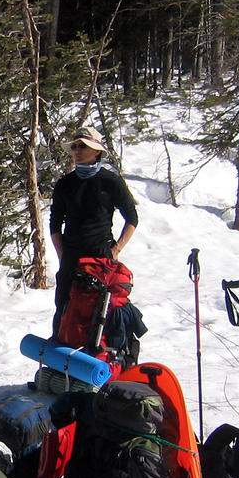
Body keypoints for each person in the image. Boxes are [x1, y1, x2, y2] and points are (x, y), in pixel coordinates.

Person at [49, 125, 138, 334]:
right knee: (63, 308)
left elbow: (132, 218)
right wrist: (62, 253)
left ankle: (97, 360)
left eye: (82, 146)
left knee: (99, 312)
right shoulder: (65, 183)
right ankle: (60, 362)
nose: (77, 151)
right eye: (74, 147)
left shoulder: (110, 181)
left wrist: (115, 251)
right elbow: (55, 223)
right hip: (71, 256)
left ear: (97, 150)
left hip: (101, 256)